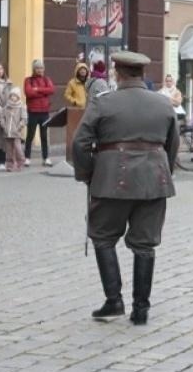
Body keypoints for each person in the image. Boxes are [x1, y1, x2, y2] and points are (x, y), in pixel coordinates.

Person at [73, 51, 181, 325]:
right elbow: (173, 144)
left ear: (117, 74)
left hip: (111, 180)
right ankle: (141, 309)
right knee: (145, 244)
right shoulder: (163, 103)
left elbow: (80, 143)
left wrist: (88, 173)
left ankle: (114, 300)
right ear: (142, 74)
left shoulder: (103, 103)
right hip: (153, 181)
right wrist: (162, 170)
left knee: (103, 236)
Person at [24, 61, 57, 167]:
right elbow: (28, 92)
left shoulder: (47, 79)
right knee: (30, 135)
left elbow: (52, 90)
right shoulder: (28, 80)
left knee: (44, 136)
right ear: (34, 69)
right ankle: (27, 158)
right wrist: (43, 93)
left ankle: (46, 158)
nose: (40, 70)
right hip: (33, 112)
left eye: (41, 68)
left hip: (44, 112)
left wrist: (37, 89)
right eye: (37, 68)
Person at [64, 61, 91, 164]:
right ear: (78, 71)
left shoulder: (89, 82)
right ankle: (74, 155)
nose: (83, 72)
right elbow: (67, 95)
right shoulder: (72, 83)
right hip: (77, 110)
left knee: (87, 133)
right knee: (76, 133)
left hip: (88, 109)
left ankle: (86, 154)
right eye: (81, 70)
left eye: (85, 70)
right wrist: (74, 101)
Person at [2, 87, 28, 172]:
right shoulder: (6, 107)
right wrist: (3, 125)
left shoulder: (21, 107)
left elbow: (24, 119)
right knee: (9, 150)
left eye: (15, 96)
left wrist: (19, 127)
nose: (13, 97)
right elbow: (2, 117)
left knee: (18, 148)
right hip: (7, 133)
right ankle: (9, 165)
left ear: (18, 97)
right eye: (12, 96)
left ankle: (20, 161)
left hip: (16, 133)